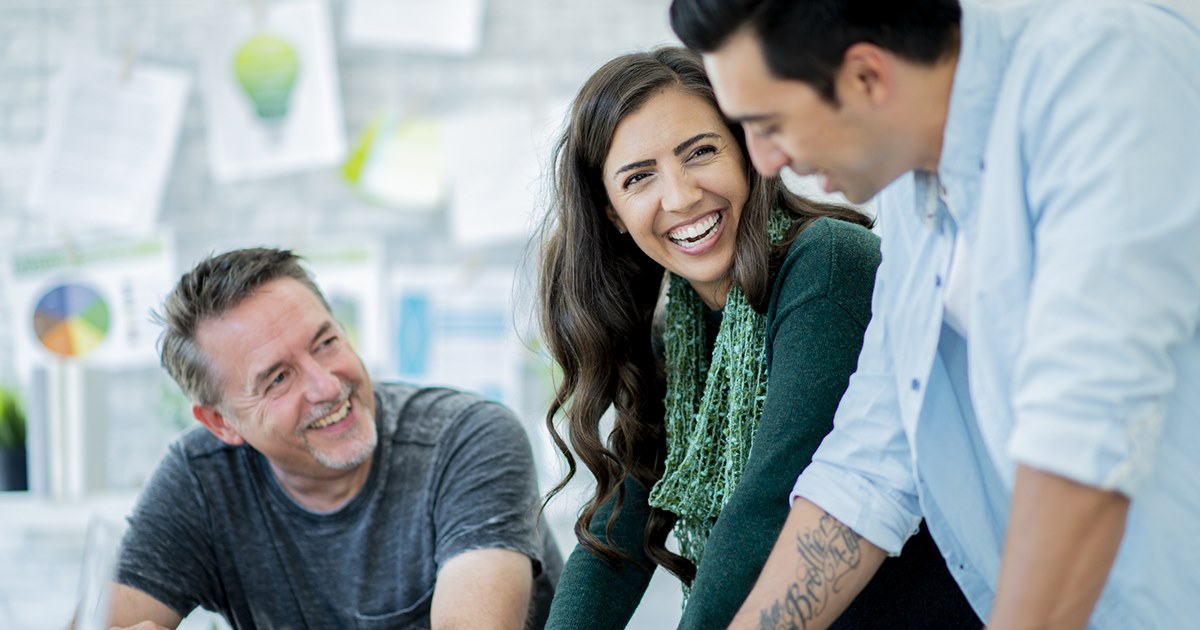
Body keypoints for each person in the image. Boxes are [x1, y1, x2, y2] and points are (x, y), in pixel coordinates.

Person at [669, 0, 1200, 627]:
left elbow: (1085, 429)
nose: (761, 160)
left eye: (769, 124)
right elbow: (871, 455)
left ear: (867, 76)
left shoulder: (1108, 75)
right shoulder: (909, 170)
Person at [534, 46, 977, 629]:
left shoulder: (827, 266)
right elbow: (620, 528)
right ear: (612, 212)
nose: (681, 195)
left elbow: (765, 507)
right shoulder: (682, 338)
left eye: (701, 152)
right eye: (639, 178)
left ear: (748, 152)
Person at [103, 248, 562, 629]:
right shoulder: (200, 478)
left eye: (326, 343)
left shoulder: (468, 438)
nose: (326, 386)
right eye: (278, 378)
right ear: (222, 424)